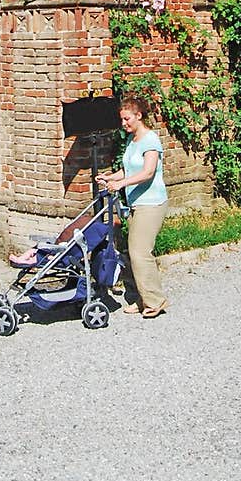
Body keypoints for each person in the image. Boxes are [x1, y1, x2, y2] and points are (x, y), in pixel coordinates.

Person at [96, 95, 168, 318]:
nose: (124, 123)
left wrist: (121, 184)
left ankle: (155, 301)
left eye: (127, 119)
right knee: (130, 252)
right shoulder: (133, 141)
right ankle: (141, 298)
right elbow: (129, 170)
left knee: (140, 252)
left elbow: (147, 173)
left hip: (152, 204)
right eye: (122, 119)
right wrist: (110, 178)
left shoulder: (150, 140)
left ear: (139, 116)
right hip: (136, 204)